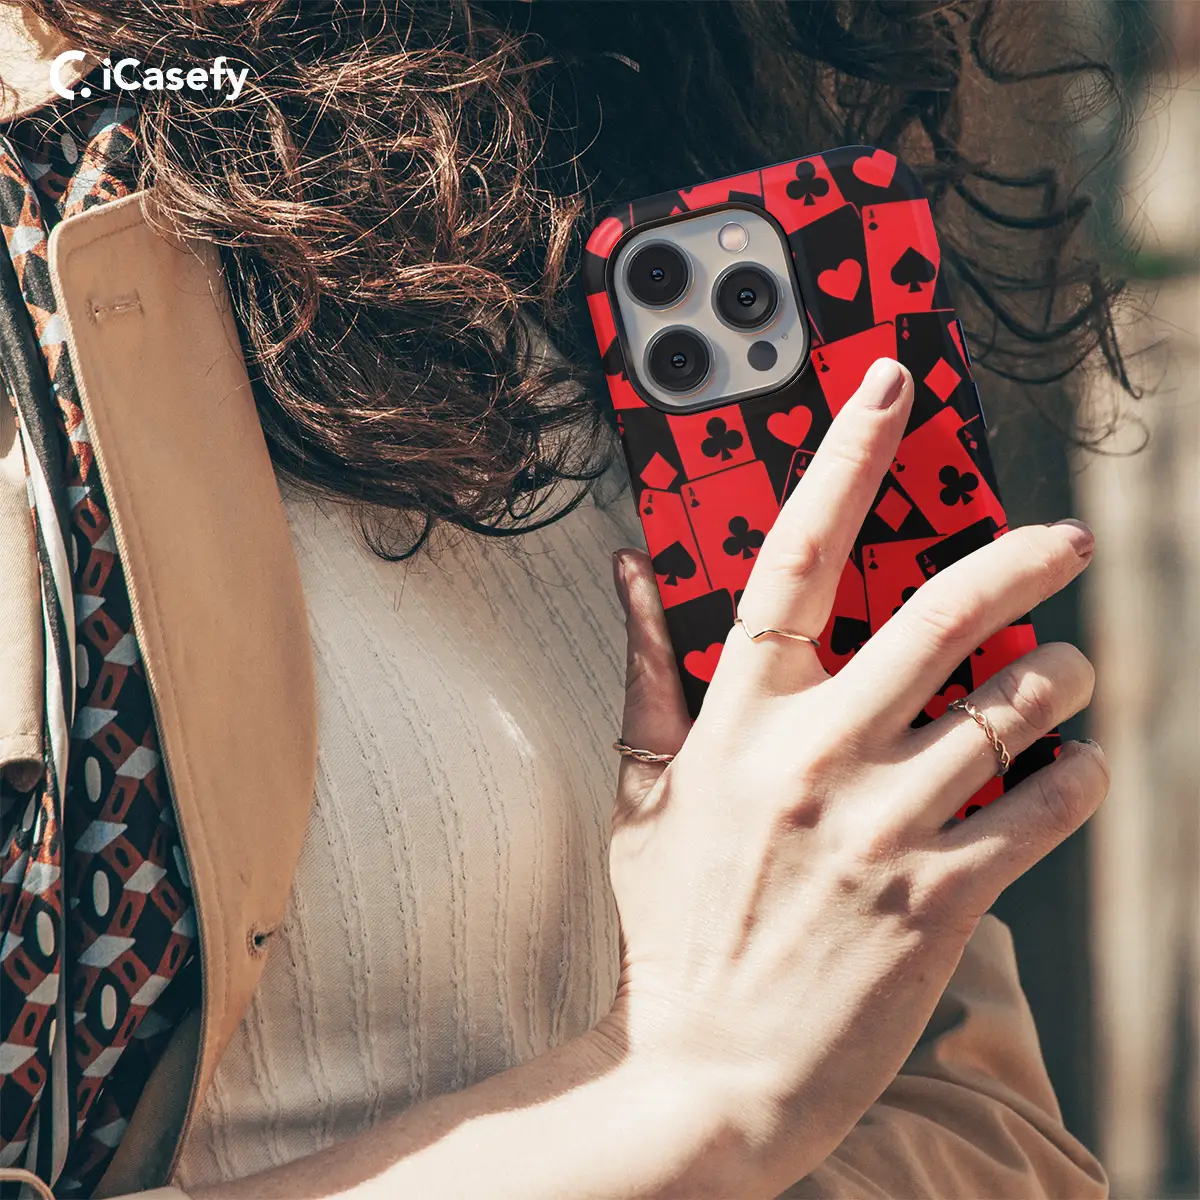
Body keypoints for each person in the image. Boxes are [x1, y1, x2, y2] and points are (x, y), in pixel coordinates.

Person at [0, 2, 1126, 1196]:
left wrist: (736, 1092)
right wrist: (685, 1089)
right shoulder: (47, 251)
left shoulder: (615, 172)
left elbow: (991, 1138)